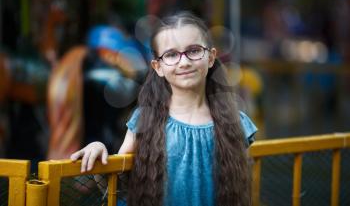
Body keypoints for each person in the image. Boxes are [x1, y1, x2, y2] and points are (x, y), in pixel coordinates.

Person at [71, 11, 257, 206]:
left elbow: (240, 189)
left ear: (210, 57)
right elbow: (116, 186)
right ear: (158, 66)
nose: (184, 62)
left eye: (193, 51)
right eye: (171, 55)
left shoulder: (235, 121)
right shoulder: (145, 119)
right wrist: (100, 151)